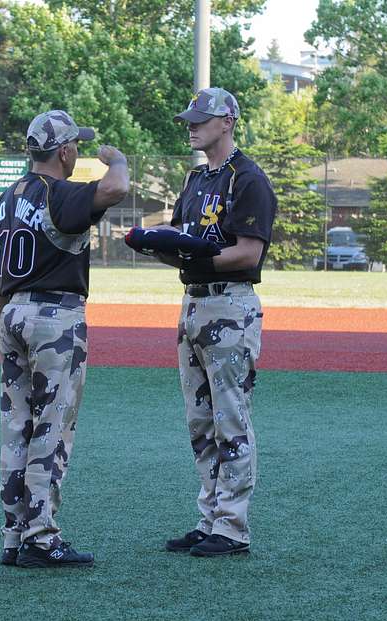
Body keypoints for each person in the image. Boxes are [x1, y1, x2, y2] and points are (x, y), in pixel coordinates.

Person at [126, 88, 276, 557]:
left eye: (201, 119)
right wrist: (154, 244)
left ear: (228, 121)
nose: (192, 125)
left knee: (230, 417)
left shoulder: (247, 178)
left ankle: (232, 527)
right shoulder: (195, 180)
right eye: (189, 119)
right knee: (200, 422)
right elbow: (183, 241)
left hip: (230, 306)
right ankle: (209, 517)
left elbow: (249, 252)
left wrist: (198, 260)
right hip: (193, 304)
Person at [0, 110, 129, 569]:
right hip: (54, 315)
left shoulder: (6, 198)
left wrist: (3, 322)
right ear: (64, 151)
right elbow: (115, 188)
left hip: (11, 310)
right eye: (77, 148)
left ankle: (14, 536)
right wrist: (118, 160)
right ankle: (42, 537)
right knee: (52, 425)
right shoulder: (60, 192)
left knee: (16, 429)